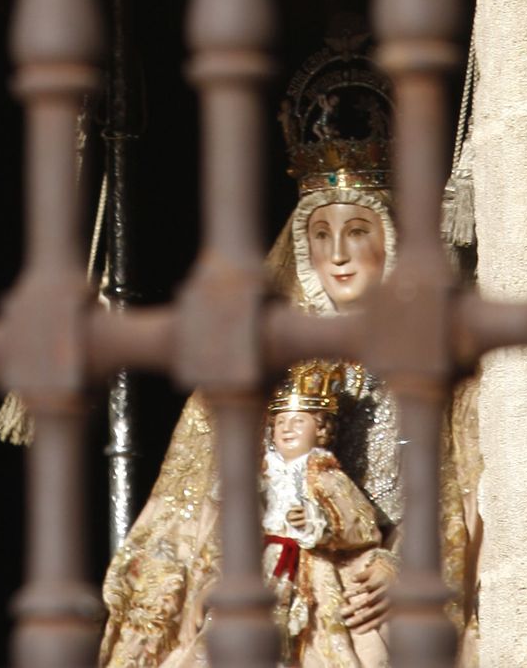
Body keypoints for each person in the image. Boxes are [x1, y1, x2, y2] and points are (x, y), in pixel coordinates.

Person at [100, 44, 480, 668]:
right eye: (321, 234)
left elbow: (457, 494)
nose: (338, 254)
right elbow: (196, 504)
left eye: (358, 231)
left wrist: (401, 567)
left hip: (374, 606)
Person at [262, 362, 390, 668]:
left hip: (314, 568)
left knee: (316, 638)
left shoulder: (327, 475)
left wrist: (317, 522)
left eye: (298, 421)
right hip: (265, 566)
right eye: (280, 422)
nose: (287, 429)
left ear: (320, 429)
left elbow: (360, 523)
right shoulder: (264, 476)